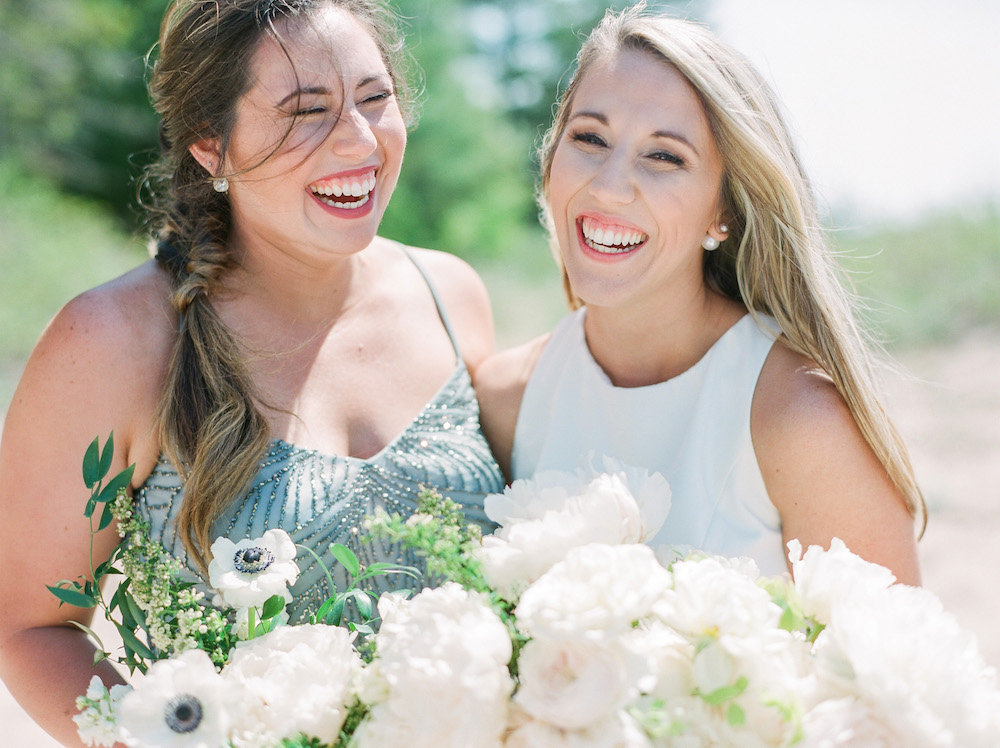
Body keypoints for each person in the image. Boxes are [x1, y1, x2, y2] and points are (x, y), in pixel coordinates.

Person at [0, 0, 503, 744]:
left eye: (375, 97)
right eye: (307, 112)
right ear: (211, 146)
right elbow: (28, 626)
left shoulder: (452, 295)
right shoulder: (113, 341)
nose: (360, 141)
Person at [475, 4, 923, 584]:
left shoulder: (800, 416)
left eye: (665, 156)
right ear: (551, 160)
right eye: (589, 138)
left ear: (724, 213)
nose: (609, 188)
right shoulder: (505, 401)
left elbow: (887, 668)